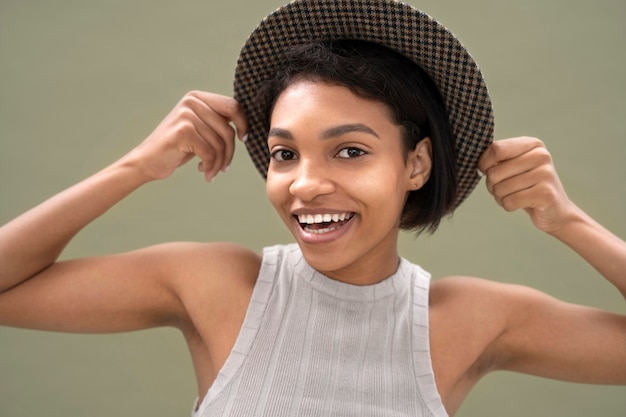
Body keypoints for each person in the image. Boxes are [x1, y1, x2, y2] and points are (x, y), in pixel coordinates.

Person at [0, 0, 624, 416]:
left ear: (415, 164)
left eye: (349, 151)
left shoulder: (475, 320)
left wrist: (568, 222)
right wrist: (134, 166)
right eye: (284, 154)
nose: (304, 184)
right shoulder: (215, 284)